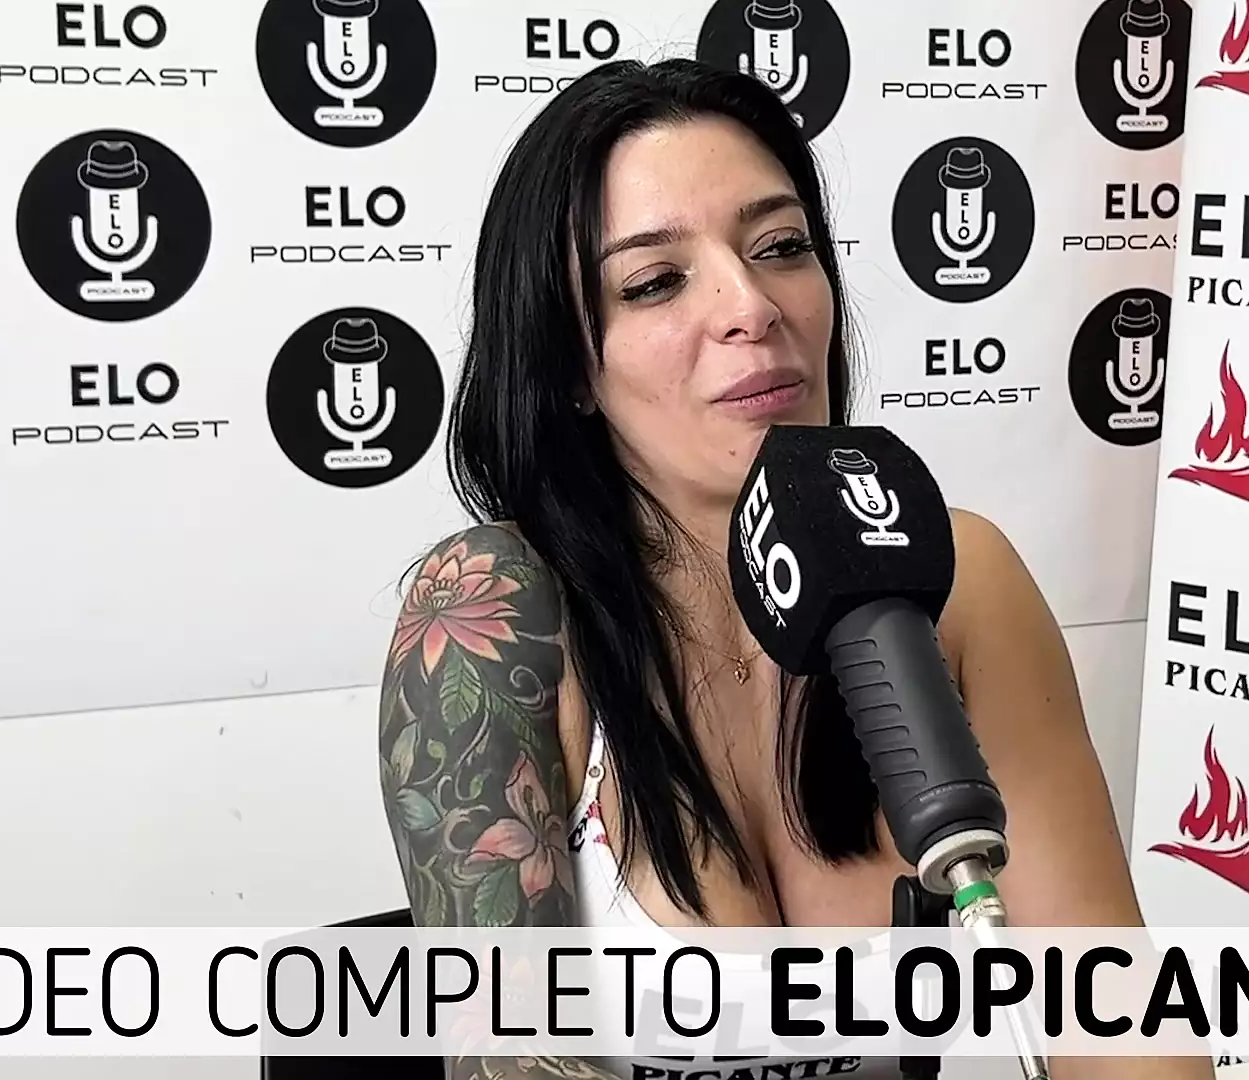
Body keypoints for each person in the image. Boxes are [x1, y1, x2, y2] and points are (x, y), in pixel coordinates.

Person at [378, 57, 1193, 1080]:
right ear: (570, 367)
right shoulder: (490, 613)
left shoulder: (959, 577)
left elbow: (1119, 1021)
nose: (752, 303)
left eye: (780, 247)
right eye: (655, 281)